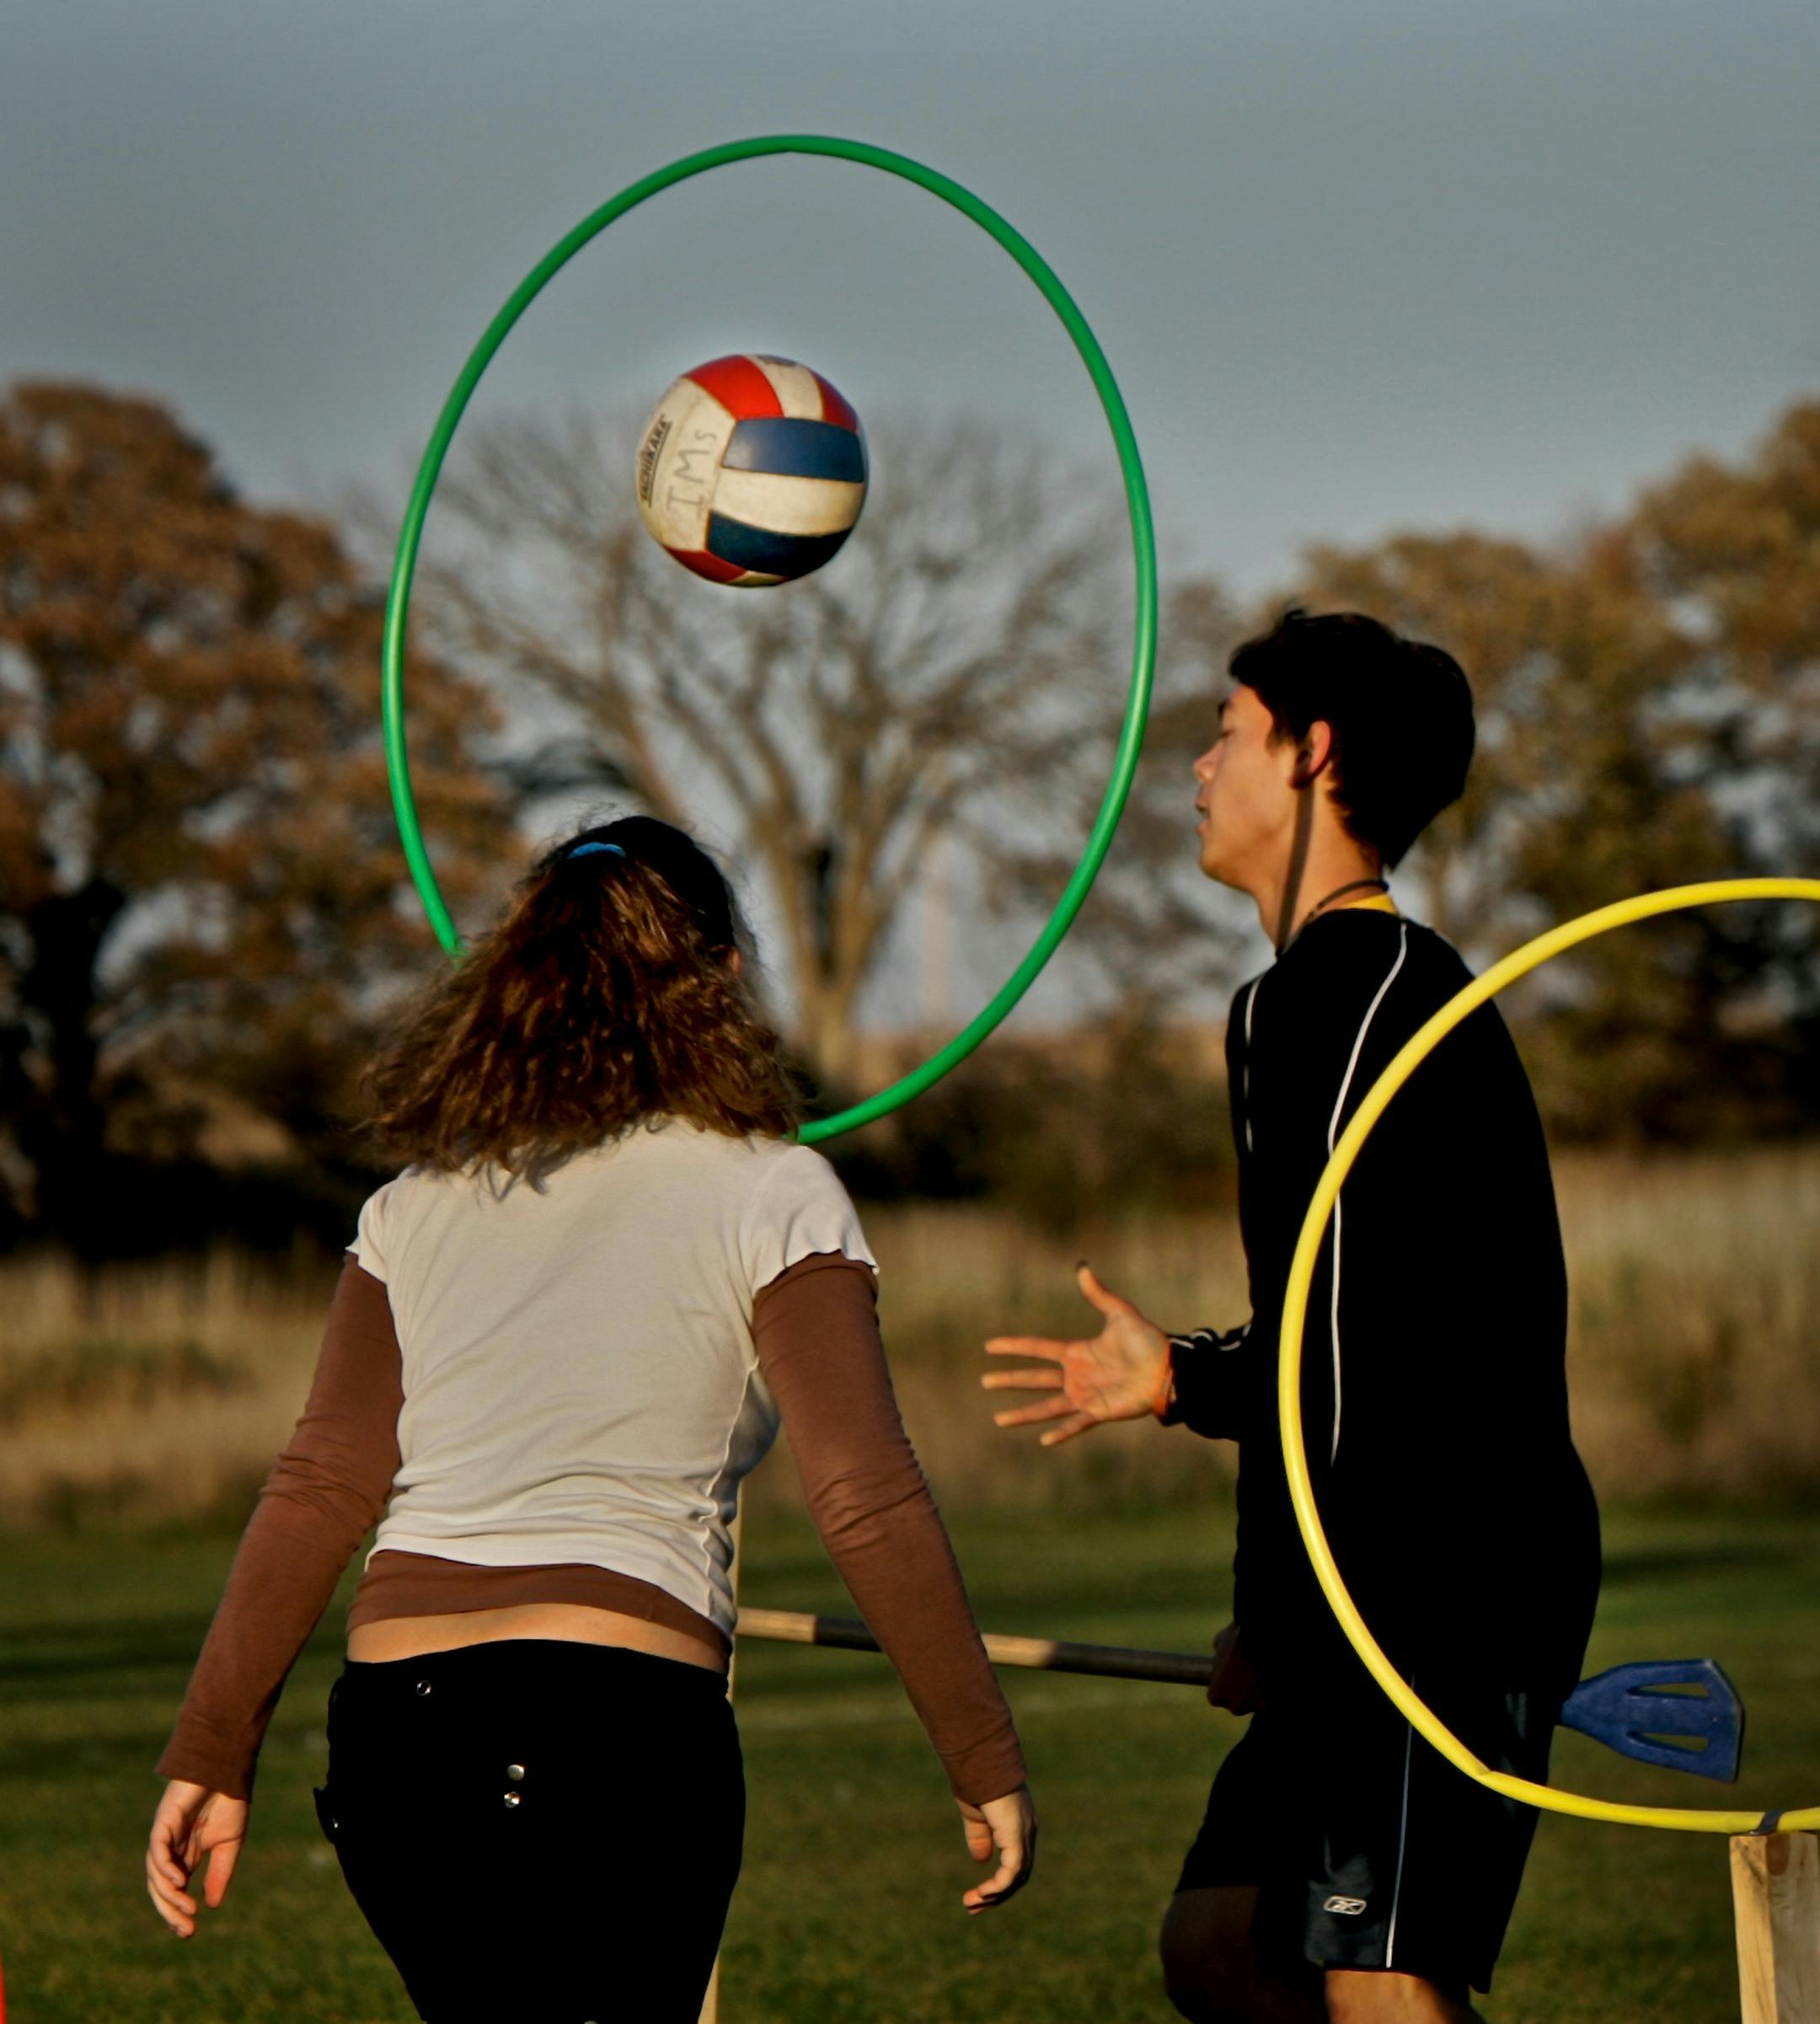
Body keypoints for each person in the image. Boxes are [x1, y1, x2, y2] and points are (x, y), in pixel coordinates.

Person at [147, 815, 1036, 2024]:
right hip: (617, 1737)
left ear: (519, 982)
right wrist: (981, 1753)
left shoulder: (416, 1203)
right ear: (721, 983)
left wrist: (212, 1745)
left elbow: (321, 1486)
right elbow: (863, 1494)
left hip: (400, 1753)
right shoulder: (772, 1189)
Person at [983, 611, 1600, 2024]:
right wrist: (1181, 1378)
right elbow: (1346, 1323)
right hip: (1377, 1557)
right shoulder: (1297, 1001)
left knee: (1376, 1981)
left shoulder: (1360, 996)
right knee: (1221, 1942)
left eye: (1223, 729)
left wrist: (1283, 1608)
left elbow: (1347, 1360)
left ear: (1310, 753)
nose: (1196, 769)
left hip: (1440, 1569)